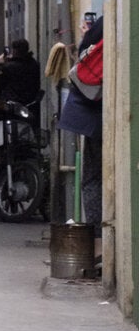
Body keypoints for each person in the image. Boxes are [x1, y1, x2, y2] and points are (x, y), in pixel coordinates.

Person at [57, 15, 103, 247]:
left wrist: (87, 36)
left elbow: (83, 60)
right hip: (100, 111)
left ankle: (97, 237)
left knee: (92, 177)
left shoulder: (101, 27)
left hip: (93, 111)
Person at [0, 38, 41, 126]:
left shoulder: (9, 67)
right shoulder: (34, 65)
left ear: (14, 51)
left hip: (11, 108)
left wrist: (1, 64)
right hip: (30, 108)